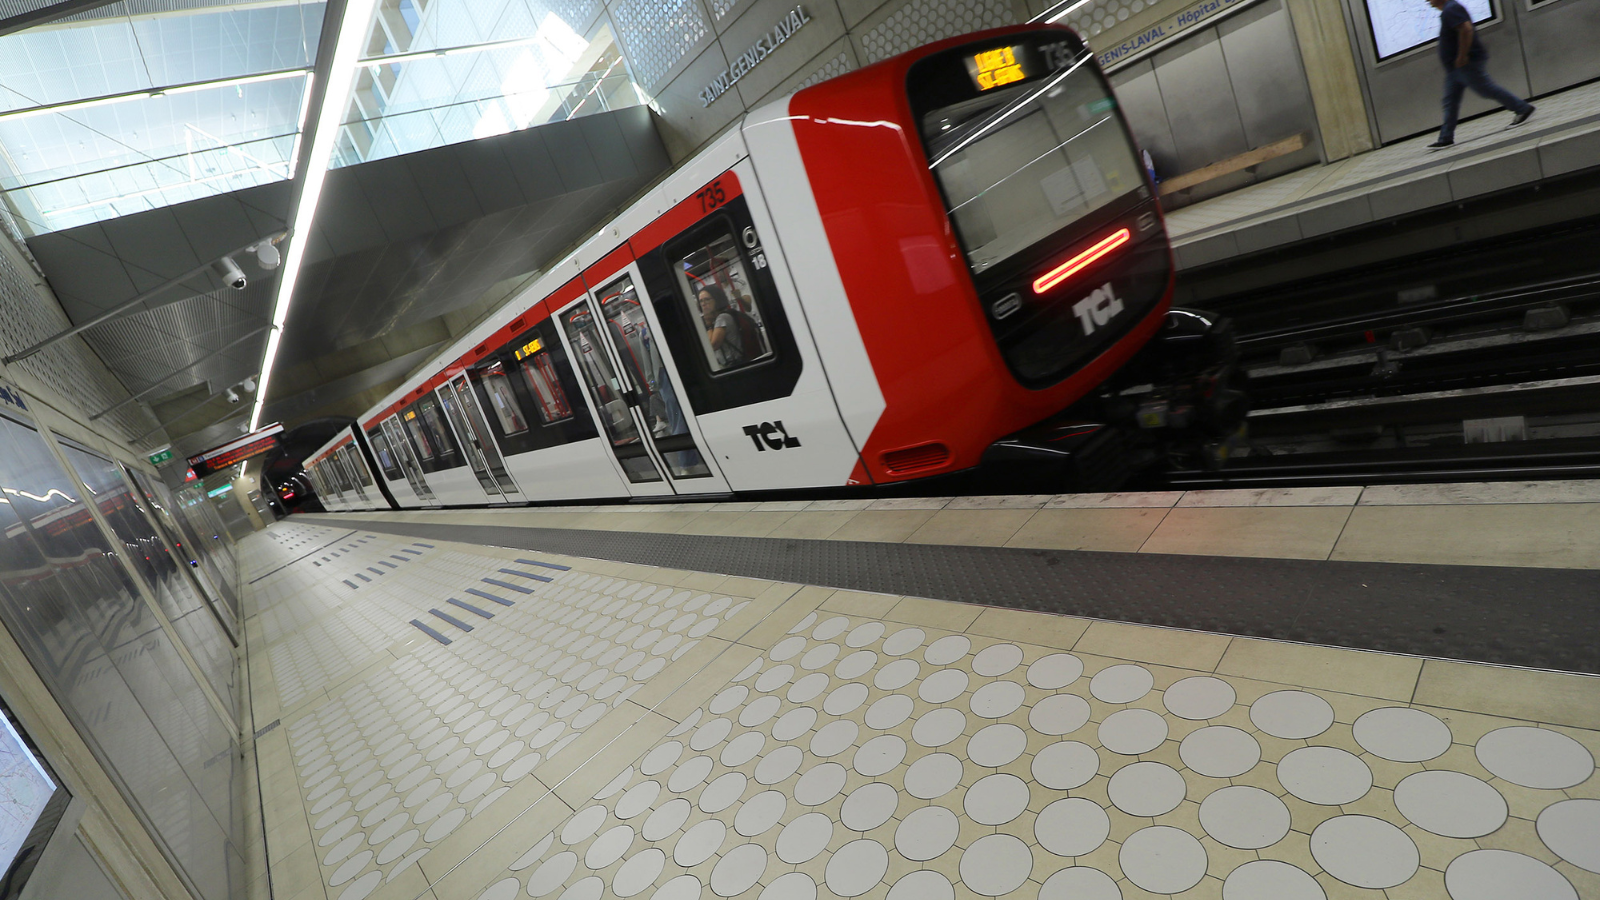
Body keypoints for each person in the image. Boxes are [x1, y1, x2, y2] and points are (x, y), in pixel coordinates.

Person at [1426, 0, 1533, 150]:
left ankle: (1522, 108)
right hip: (1454, 68)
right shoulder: (1448, 10)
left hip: (1465, 63)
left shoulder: (1451, 9)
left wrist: (1462, 56)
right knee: (1450, 101)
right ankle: (1445, 138)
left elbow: (1466, 30)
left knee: (1486, 89)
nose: (1427, 1)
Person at [696, 284, 747, 368]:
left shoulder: (722, 317)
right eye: (701, 301)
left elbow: (712, 346)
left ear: (717, 299)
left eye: (707, 300)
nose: (703, 304)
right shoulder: (716, 319)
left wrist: (708, 325)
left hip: (734, 364)